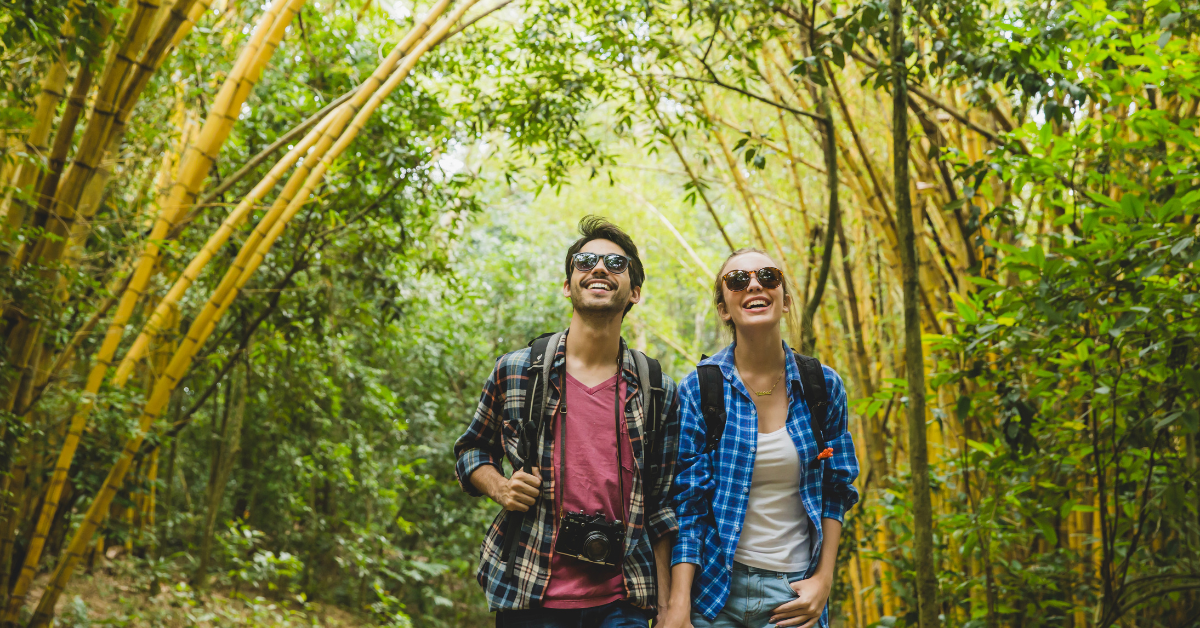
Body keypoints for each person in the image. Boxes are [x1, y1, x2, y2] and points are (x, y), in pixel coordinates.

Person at [454, 216, 681, 628]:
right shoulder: (517, 372)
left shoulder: (658, 390)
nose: (599, 268)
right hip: (529, 592)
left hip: (624, 601)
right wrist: (501, 487)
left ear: (635, 292)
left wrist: (667, 608)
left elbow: (662, 507)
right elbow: (471, 451)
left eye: (616, 263)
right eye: (586, 261)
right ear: (567, 285)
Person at [659, 248, 860, 628]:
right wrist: (678, 604)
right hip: (714, 592)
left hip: (793, 592)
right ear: (724, 308)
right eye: (738, 280)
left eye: (768, 276)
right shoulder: (701, 388)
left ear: (785, 300)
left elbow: (837, 488)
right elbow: (689, 503)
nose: (754, 285)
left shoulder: (822, 386)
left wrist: (824, 580)